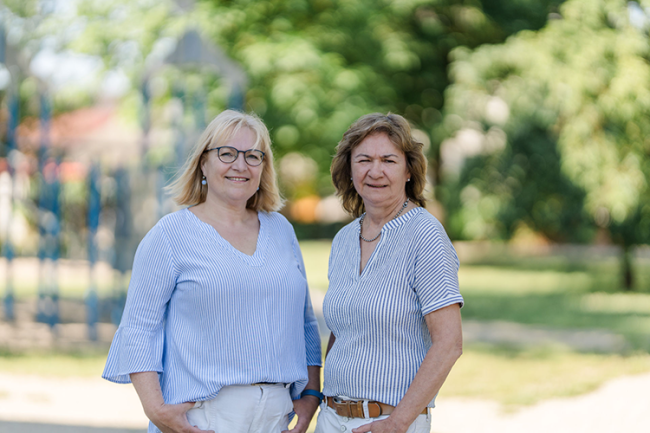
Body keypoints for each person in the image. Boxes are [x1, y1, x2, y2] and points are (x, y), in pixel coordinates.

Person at [102, 110, 322, 433]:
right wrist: (157, 410)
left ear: (264, 167)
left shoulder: (281, 231)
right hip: (203, 418)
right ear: (203, 163)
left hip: (276, 416)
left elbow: (305, 323)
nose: (240, 165)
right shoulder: (170, 235)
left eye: (253, 156)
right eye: (227, 153)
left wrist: (312, 395)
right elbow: (138, 328)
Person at [316, 113, 464, 433]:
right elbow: (341, 330)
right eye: (364, 160)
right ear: (350, 168)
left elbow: (449, 344)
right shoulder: (344, 240)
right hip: (331, 418)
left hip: (389, 422)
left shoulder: (425, 234)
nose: (375, 171)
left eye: (389, 160)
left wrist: (397, 423)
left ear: (409, 170)